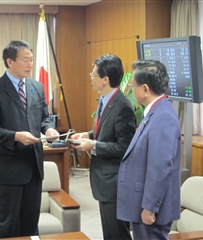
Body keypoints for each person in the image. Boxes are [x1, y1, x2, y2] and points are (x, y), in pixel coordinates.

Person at [0, 40, 59, 238]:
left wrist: (49, 130)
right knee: (9, 224)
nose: (30, 64)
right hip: (9, 168)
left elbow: (44, 118)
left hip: (33, 166)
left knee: (31, 222)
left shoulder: (36, 87)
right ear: (9, 61)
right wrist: (16, 136)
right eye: (25, 60)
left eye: (32, 60)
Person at [71, 54, 136, 240]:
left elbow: (124, 147)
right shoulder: (104, 100)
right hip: (103, 179)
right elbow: (106, 132)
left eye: (93, 75)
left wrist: (94, 145)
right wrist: (88, 135)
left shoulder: (123, 106)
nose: (91, 78)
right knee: (109, 232)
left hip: (114, 181)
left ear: (105, 79)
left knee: (117, 233)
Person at [117, 59, 181, 240]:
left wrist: (150, 207)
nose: (131, 89)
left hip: (151, 209)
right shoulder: (155, 112)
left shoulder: (163, 117)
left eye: (133, 85)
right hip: (142, 201)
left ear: (145, 89)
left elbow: (160, 167)